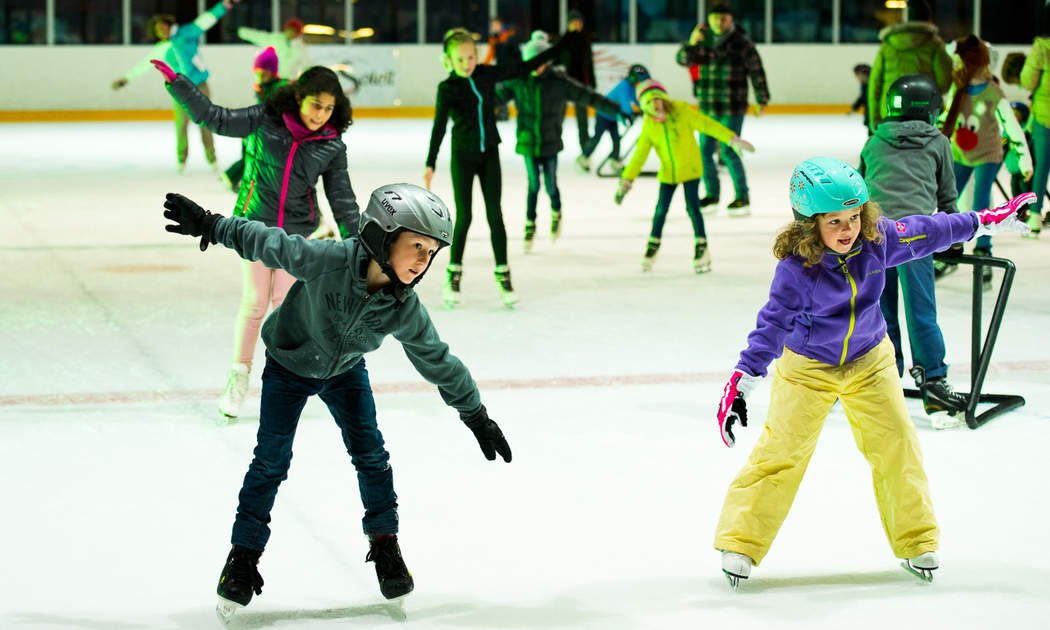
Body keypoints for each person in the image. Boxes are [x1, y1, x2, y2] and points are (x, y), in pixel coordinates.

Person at [159, 183, 513, 622]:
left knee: (371, 455)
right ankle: (243, 557)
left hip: (345, 370)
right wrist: (213, 224)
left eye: (432, 251)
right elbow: (270, 242)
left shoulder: (404, 307)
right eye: (416, 245)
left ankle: (385, 544)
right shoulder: (329, 261)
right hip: (288, 366)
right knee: (270, 461)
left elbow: (438, 360)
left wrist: (475, 414)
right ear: (383, 236)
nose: (424, 260)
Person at [711, 156, 1034, 588]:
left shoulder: (876, 239)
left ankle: (917, 540)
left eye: (854, 216)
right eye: (834, 222)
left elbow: (927, 231)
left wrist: (981, 221)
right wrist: (744, 379)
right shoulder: (796, 269)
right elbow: (773, 323)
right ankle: (740, 542)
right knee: (781, 453)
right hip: (808, 368)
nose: (847, 229)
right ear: (809, 224)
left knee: (897, 444)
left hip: (870, 359)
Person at [153, 60, 360, 419]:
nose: (320, 115)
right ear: (298, 97)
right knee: (255, 303)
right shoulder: (266, 118)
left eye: (328, 109)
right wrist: (178, 84)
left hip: (296, 234)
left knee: (284, 302)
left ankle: (281, 382)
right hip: (254, 227)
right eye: (315, 105)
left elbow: (342, 199)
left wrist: (357, 245)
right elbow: (215, 118)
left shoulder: (331, 145)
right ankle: (239, 377)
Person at [424, 27, 572, 308]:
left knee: (495, 216)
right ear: (449, 60)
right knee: (465, 216)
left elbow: (524, 66)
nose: (466, 64)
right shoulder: (448, 88)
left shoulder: (486, 75)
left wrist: (561, 45)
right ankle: (454, 274)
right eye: (460, 59)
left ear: (477, 56)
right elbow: (439, 127)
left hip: (489, 153)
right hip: (463, 157)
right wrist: (431, 161)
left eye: (471, 57)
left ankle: (503, 273)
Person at [859, 74, 969, 424]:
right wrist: (954, 236)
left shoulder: (874, 142)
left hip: (876, 235)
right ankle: (933, 381)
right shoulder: (938, 142)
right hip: (916, 237)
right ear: (930, 111)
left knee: (881, 309)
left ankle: (885, 377)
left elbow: (861, 191)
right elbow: (947, 198)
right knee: (921, 310)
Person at [496, 31, 620, 252]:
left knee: (551, 185)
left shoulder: (558, 81)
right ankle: (530, 224)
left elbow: (587, 95)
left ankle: (556, 213)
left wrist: (615, 109)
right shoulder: (519, 80)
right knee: (534, 185)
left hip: (551, 142)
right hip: (527, 143)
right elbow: (493, 96)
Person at [613, 79, 754, 273]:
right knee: (661, 210)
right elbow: (639, 156)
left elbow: (707, 125)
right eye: (650, 101)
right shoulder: (649, 126)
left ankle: (701, 246)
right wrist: (627, 180)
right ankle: (653, 244)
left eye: (658, 99)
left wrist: (731, 139)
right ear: (644, 105)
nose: (655, 104)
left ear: (664, 98)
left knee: (693, 208)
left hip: (690, 170)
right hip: (668, 174)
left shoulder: (682, 112)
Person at [941, 35, 1032, 288]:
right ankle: (950, 242)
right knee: (950, 196)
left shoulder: (992, 91)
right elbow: (945, 118)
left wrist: (1024, 159)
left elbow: (1012, 126)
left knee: (980, 198)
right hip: (962, 152)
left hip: (988, 154)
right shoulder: (957, 88)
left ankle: (983, 247)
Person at [111, 0, 241, 172]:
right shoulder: (162, 47)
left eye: (162, 27)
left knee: (206, 123)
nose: (161, 31)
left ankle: (212, 159)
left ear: (168, 25)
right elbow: (145, 64)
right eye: (157, 30)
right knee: (181, 125)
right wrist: (126, 78)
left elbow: (206, 19)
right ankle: (182, 159)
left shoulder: (186, 33)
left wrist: (225, 5)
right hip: (180, 90)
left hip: (200, 85)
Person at [675, 3, 769, 217]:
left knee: (728, 150)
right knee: (705, 151)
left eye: (724, 18)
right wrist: (691, 43)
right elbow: (683, 60)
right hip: (708, 104)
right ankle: (712, 195)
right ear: (709, 20)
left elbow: (756, 70)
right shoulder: (703, 41)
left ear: (731, 20)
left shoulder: (742, 42)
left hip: (732, 105)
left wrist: (761, 98)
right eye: (716, 18)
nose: (720, 22)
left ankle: (742, 197)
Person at [867, 2, 953, 133]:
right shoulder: (934, 44)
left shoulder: (888, 44)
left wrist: (874, 116)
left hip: (891, 111)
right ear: (928, 19)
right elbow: (945, 81)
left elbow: (875, 83)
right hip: (924, 111)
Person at [222, 47, 289, 193]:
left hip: (269, 130)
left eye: (263, 73)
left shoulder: (280, 86)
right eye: (257, 73)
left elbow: (275, 105)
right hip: (257, 128)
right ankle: (231, 176)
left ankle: (232, 176)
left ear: (272, 72)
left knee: (254, 158)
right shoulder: (262, 87)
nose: (259, 76)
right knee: (250, 157)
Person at [575, 63, 649, 175]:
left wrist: (643, 108)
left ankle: (614, 160)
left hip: (613, 116)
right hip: (603, 115)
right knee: (597, 138)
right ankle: (584, 157)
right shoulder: (624, 86)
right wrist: (630, 113)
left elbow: (635, 99)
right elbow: (625, 102)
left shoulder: (631, 87)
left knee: (616, 139)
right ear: (633, 77)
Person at [1020, 24, 1050, 235]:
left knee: (1042, 166)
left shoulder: (1042, 47)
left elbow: (1027, 81)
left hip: (1044, 114)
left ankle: (1035, 217)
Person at [561, 9, 597, 153]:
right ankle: (553, 141)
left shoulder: (585, 41)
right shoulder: (563, 41)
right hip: (564, 83)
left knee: (582, 117)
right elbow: (557, 62)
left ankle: (585, 145)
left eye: (579, 23)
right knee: (558, 114)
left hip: (581, 85)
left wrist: (592, 83)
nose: (577, 25)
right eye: (574, 23)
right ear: (569, 24)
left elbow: (589, 64)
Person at [238, 17, 311, 80]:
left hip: (290, 81)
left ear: (298, 33)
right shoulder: (277, 39)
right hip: (274, 80)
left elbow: (307, 66)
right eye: (288, 30)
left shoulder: (301, 48)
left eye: (293, 31)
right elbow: (259, 36)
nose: (289, 33)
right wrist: (241, 31)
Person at [483, 16, 522, 121]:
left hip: (513, 69)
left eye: (496, 24)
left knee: (517, 91)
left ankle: (522, 112)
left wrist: (520, 68)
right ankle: (502, 112)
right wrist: (483, 66)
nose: (494, 27)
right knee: (498, 90)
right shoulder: (493, 39)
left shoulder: (510, 35)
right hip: (501, 69)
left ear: (501, 25)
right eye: (492, 25)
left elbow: (517, 53)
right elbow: (491, 54)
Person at [849, 63, 872, 134]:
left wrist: (855, 106)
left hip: (873, 118)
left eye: (856, 76)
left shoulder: (869, 85)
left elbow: (864, 97)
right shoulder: (866, 85)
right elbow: (863, 97)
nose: (857, 78)